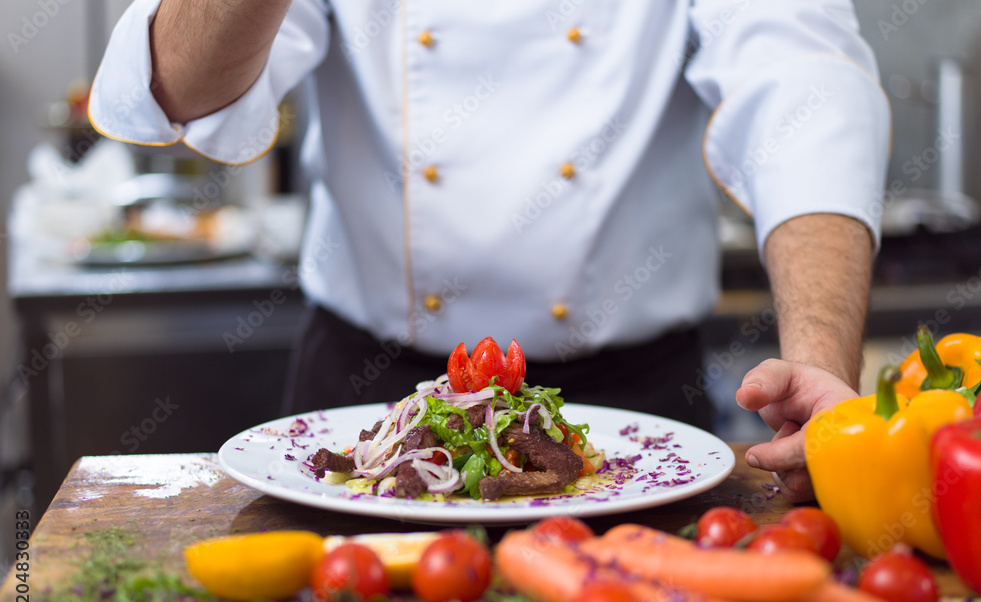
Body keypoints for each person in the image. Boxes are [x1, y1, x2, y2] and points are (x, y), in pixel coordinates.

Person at [88, 0, 887, 499]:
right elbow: (176, 91)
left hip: (634, 421)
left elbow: (809, 87)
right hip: (375, 410)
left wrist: (818, 360)